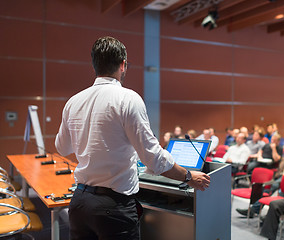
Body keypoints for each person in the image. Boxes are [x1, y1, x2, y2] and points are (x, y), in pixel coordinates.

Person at [55, 36, 210, 240]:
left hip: (80, 202)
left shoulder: (73, 102)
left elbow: (62, 147)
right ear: (123, 64)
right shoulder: (128, 99)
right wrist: (188, 176)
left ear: (94, 65)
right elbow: (152, 157)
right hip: (113, 206)